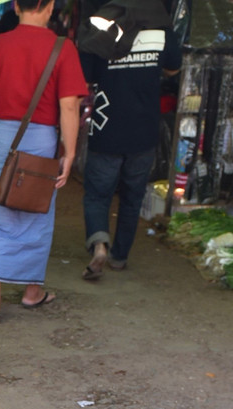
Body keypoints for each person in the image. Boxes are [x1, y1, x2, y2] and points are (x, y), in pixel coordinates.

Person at [0, 0, 87, 323]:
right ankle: (32, 292)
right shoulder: (64, 48)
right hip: (42, 138)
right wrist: (70, 153)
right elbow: (69, 107)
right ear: (50, 7)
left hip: (3, 136)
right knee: (37, 211)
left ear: (16, 6)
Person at [79, 25, 181, 280]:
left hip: (107, 129)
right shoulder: (161, 29)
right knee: (132, 198)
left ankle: (100, 245)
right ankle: (120, 257)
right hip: (143, 130)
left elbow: (87, 76)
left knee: (97, 195)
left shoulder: (102, 28)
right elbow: (173, 68)